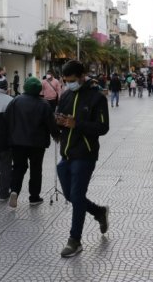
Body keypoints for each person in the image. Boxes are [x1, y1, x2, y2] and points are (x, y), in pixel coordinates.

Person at [55, 60, 109, 258]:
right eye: (66, 80)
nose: (69, 83)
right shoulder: (66, 94)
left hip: (85, 155)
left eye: (72, 80)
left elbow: (103, 128)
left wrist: (77, 124)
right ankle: (99, 212)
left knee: (76, 196)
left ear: (82, 76)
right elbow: (60, 118)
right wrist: (59, 122)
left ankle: (74, 240)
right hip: (66, 154)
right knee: (71, 196)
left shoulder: (96, 97)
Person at [6, 77, 58, 208]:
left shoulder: (16, 101)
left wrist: (11, 134)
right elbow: (51, 123)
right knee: (36, 169)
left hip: (17, 142)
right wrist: (57, 135)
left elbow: (6, 118)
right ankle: (34, 197)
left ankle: (14, 191)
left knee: (18, 167)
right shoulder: (44, 104)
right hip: (37, 143)